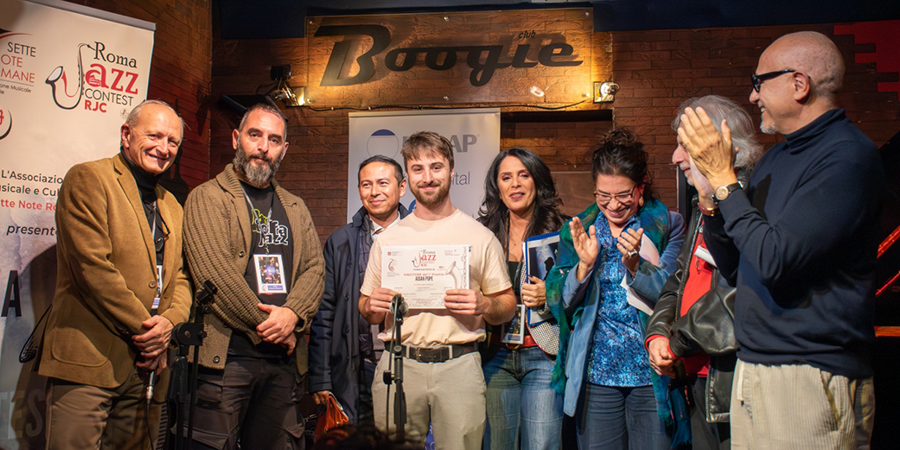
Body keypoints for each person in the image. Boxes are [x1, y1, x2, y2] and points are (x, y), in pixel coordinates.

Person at [677, 31, 883, 449]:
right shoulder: (775, 159)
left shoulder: (845, 157)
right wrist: (710, 203)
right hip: (756, 366)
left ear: (799, 83)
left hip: (808, 374)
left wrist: (723, 181)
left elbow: (776, 260)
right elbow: (737, 266)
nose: (753, 97)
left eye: (759, 83)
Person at [39, 100, 192, 449]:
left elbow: (182, 275)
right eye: (154, 135)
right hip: (88, 360)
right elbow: (92, 269)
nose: (163, 148)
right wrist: (149, 332)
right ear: (126, 135)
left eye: (173, 142)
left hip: (147, 367)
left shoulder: (172, 204)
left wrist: (170, 322)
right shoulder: (89, 178)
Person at [358, 131, 516, 450]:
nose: (428, 178)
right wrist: (370, 305)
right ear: (407, 177)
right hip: (398, 364)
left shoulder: (480, 237)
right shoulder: (387, 240)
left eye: (436, 167)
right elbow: (367, 307)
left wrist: (485, 304)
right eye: (418, 169)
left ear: (452, 171)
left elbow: (508, 305)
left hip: (459, 365)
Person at [183, 103, 325, 449]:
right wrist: (273, 330)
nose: (263, 146)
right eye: (255, 135)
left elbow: (314, 270)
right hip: (224, 364)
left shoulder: (295, 206)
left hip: (284, 366)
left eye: (274, 139)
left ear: (284, 149)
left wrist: (291, 316)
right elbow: (213, 275)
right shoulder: (206, 198)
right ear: (236, 139)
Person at [545, 128, 687, 450]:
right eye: (603, 195)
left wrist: (636, 265)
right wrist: (583, 267)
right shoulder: (581, 229)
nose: (613, 205)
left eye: (623, 195)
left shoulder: (667, 224)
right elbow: (559, 301)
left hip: (651, 374)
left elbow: (674, 295)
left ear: (640, 187)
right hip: (596, 375)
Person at [644, 95, 763, 450]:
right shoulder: (705, 202)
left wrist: (679, 339)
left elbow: (742, 290)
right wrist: (658, 334)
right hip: (697, 377)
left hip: (732, 381)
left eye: (685, 145)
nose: (675, 157)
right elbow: (679, 278)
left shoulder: (755, 198)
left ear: (721, 142)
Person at [476, 148, 568, 450]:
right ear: (497, 187)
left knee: (541, 445)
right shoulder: (484, 234)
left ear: (536, 181)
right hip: (494, 356)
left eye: (523, 175)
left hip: (543, 355)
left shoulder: (563, 232)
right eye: (506, 177)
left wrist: (550, 295)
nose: (515, 184)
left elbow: (583, 294)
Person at [309, 155, 410, 424]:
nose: (374, 191)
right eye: (366, 184)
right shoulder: (340, 241)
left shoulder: (422, 235)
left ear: (402, 187)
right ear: (358, 191)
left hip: (412, 366)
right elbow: (325, 311)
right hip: (358, 367)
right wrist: (320, 376)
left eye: (382, 183)